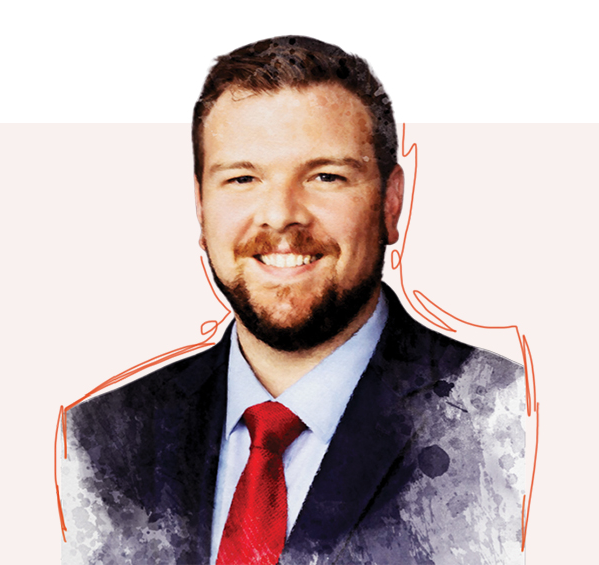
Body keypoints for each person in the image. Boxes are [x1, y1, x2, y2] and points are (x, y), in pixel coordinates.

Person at [59, 36, 525, 565]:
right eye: (242, 178)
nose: (281, 215)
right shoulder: (98, 442)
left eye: (326, 176)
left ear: (391, 203)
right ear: (201, 206)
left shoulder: (504, 424)